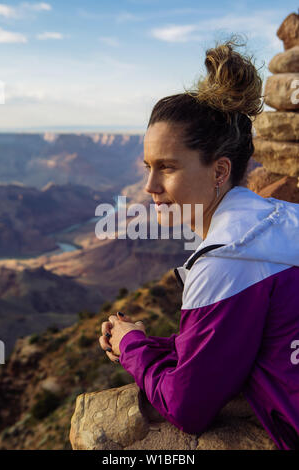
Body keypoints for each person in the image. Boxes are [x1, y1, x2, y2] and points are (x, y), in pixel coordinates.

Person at [99, 38, 299, 450]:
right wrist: (139, 340)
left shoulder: (228, 257)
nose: (150, 186)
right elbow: (232, 341)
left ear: (219, 171)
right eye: (148, 168)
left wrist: (134, 348)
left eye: (167, 168)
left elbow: (187, 407)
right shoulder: (281, 220)